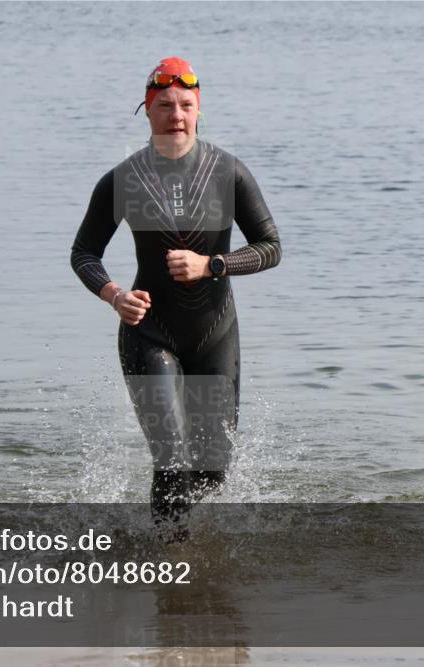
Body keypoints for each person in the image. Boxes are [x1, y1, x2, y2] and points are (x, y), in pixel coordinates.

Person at [70, 57, 281, 532]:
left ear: (199, 109)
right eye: (165, 105)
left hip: (214, 332)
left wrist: (214, 265)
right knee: (171, 462)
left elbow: (271, 248)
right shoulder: (122, 180)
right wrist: (113, 295)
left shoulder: (228, 173)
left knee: (211, 471)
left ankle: (180, 569)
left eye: (186, 105)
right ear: (147, 110)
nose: (177, 115)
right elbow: (84, 252)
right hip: (149, 332)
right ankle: (172, 569)